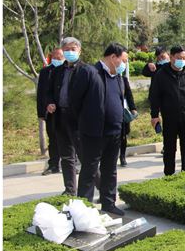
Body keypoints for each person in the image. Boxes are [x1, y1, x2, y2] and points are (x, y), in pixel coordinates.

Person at [68, 42, 129, 215]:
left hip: (115, 132)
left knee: (110, 170)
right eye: (123, 60)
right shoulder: (90, 72)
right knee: (90, 170)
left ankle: (108, 203)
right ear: (113, 57)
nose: (124, 65)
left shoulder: (117, 77)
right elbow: (74, 102)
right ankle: (84, 209)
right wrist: (85, 122)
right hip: (94, 133)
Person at [149, 45, 185, 175]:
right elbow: (154, 96)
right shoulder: (161, 74)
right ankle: (169, 175)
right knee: (169, 149)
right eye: (179, 58)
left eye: (184, 58)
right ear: (171, 57)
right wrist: (154, 115)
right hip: (169, 117)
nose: (182, 60)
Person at [50, 36, 84, 195]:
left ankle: (101, 188)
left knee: (85, 157)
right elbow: (49, 92)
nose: (70, 52)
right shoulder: (57, 71)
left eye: (73, 49)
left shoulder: (85, 70)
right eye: (67, 50)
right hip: (60, 118)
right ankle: (70, 189)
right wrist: (50, 103)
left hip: (77, 120)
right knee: (66, 156)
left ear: (79, 50)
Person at [37, 47, 64, 175]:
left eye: (60, 57)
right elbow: (41, 93)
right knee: (53, 139)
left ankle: (70, 164)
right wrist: (41, 112)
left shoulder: (68, 71)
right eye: (55, 57)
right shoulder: (45, 72)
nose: (57, 59)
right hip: (51, 112)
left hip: (66, 112)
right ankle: (53, 165)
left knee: (68, 139)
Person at [118, 50, 137, 167]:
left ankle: (122, 156)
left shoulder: (123, 79)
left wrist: (133, 108)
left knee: (124, 135)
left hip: (123, 112)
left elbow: (129, 95)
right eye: (123, 61)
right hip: (112, 113)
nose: (124, 64)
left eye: (126, 62)